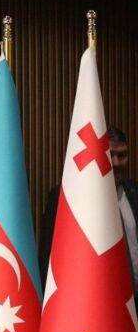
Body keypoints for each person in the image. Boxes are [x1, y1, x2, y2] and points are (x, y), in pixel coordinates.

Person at [39, 124, 138, 299]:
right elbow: (49, 259)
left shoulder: (134, 192)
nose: (116, 162)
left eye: (122, 156)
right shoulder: (67, 197)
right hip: (91, 308)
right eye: (109, 155)